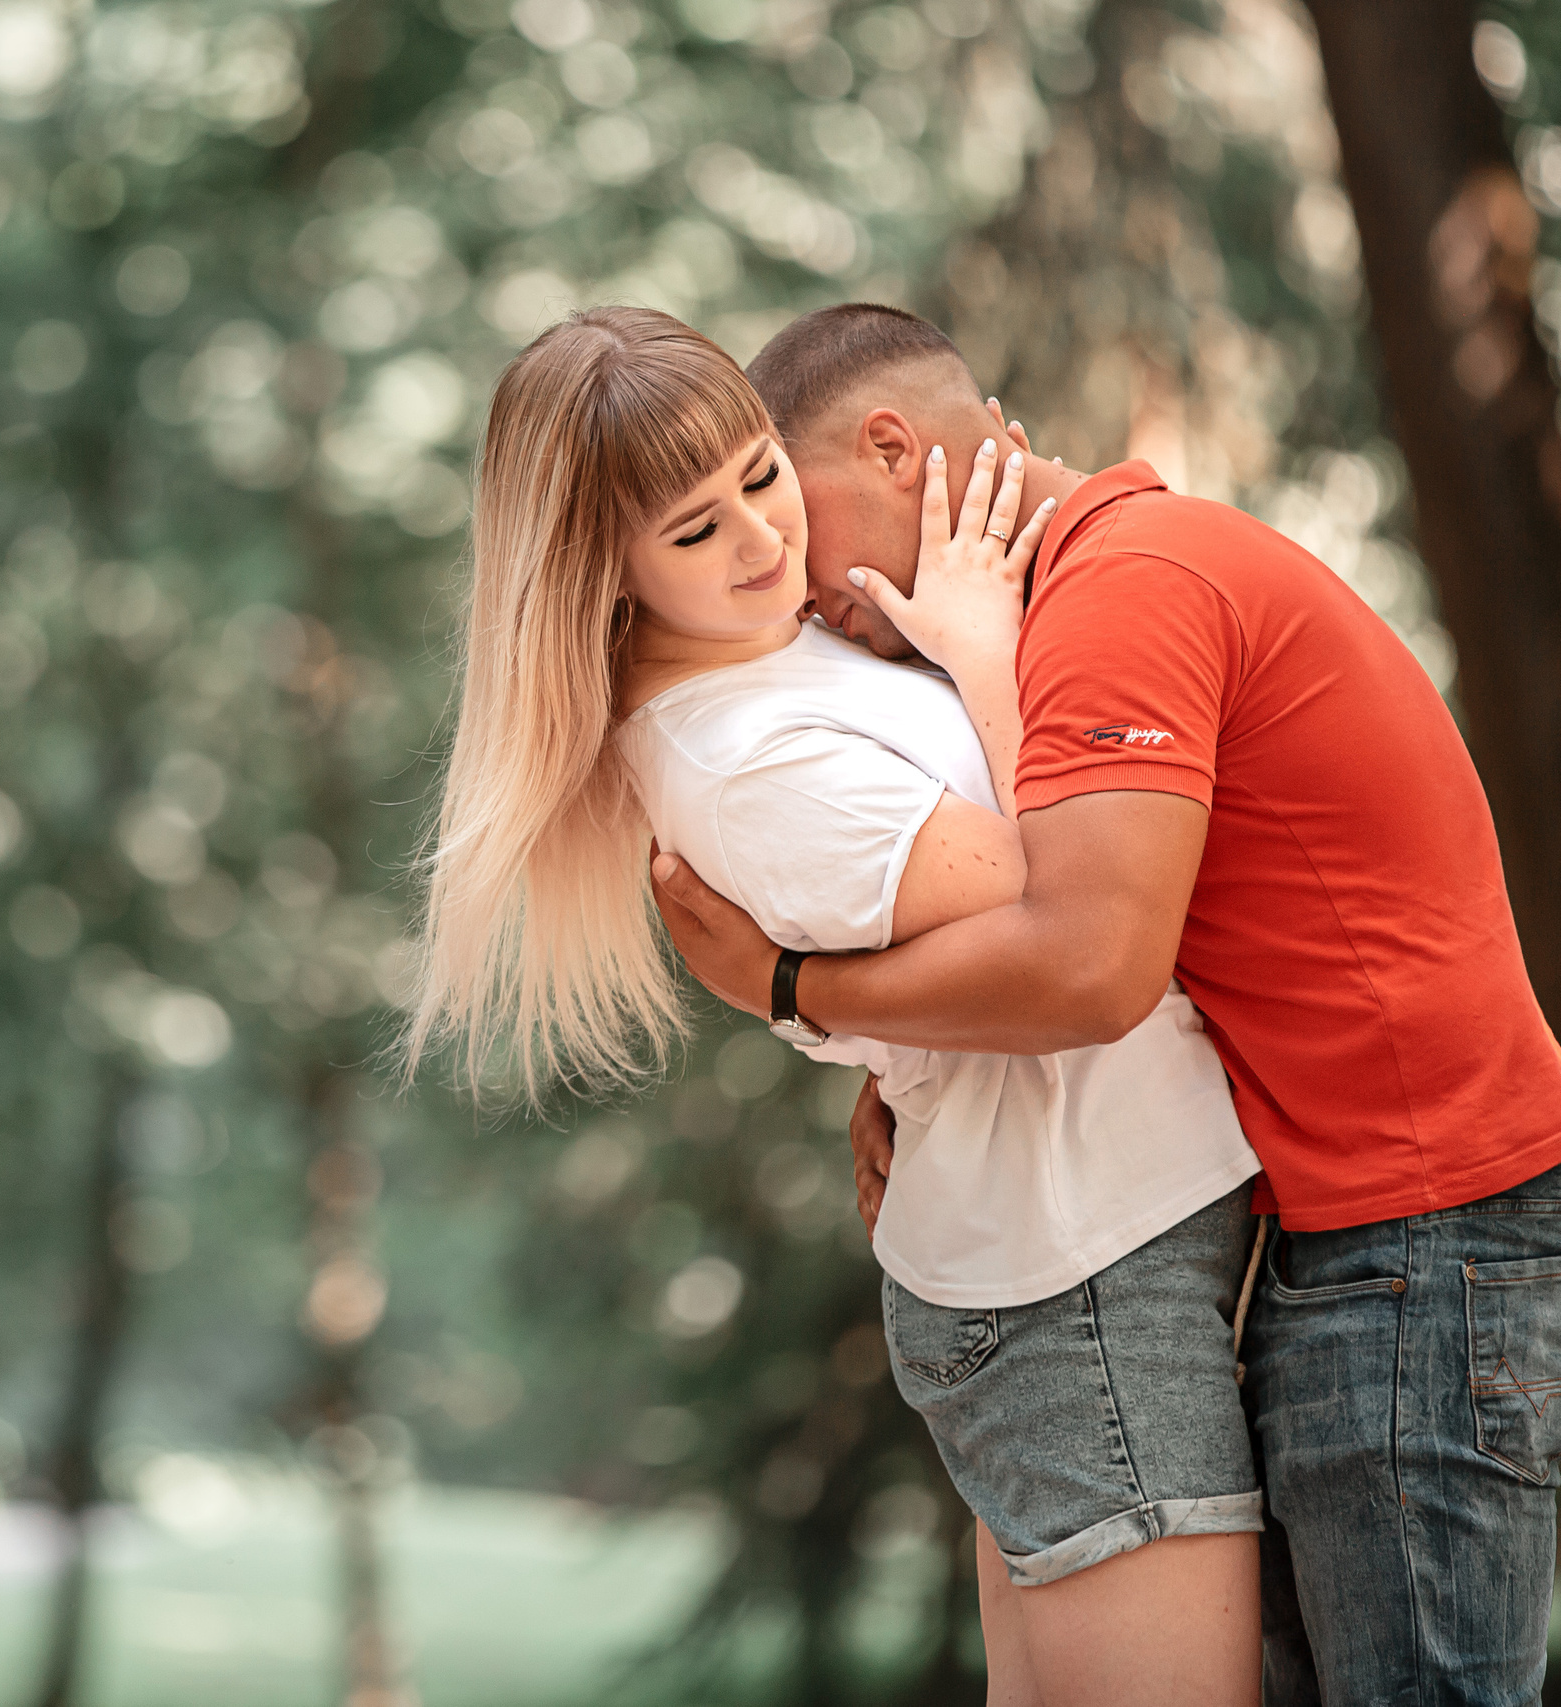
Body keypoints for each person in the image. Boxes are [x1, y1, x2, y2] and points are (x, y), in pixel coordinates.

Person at [648, 302, 1561, 1707]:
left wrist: (790, 984)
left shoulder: (1127, 593)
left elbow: (1091, 970)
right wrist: (896, 1064)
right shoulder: (1114, 580)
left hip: (1429, 1233)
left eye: (800, 529)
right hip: (1373, 1231)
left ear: (891, 446)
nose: (800, 590)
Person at [403, 305, 1264, 1704]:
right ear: (598, 579)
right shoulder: (747, 758)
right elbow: (1077, 914)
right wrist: (985, 651)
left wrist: (837, 1022)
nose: (761, 541)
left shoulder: (785, 652)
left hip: (1092, 1232)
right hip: (1084, 1267)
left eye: (758, 474)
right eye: (694, 533)